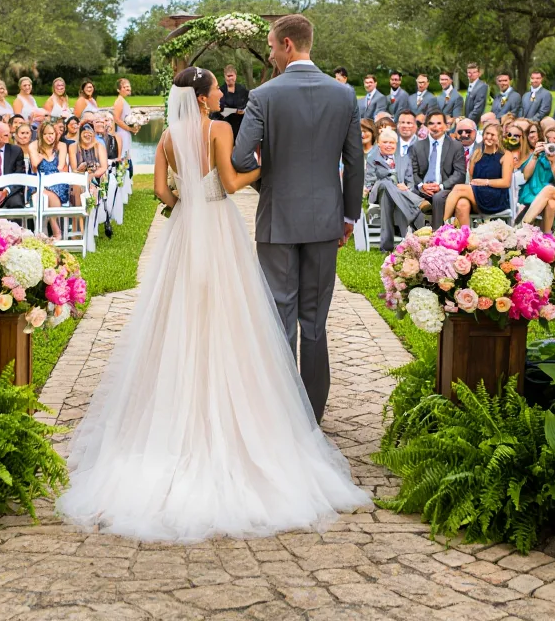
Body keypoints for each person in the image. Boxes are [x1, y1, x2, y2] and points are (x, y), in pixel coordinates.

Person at [58, 64, 369, 542]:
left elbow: (162, 191)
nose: (224, 91)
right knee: (233, 311)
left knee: (177, 311)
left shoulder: (166, 138)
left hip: (185, 230)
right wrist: (268, 167)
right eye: (217, 88)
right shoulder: (219, 128)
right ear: (203, 98)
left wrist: (186, 197)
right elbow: (230, 180)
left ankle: (173, 405)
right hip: (220, 228)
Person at [232, 15, 364, 425]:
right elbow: (354, 162)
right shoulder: (343, 96)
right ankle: (314, 414)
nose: (270, 54)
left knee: (280, 315)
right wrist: (347, 214)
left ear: (288, 44)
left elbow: (239, 158)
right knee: (315, 319)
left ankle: (283, 412)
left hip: (278, 221)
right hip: (326, 220)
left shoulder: (264, 95)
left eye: (271, 46)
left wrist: (271, 185)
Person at [442, 123, 518, 225]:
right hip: (478, 195)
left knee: (458, 188)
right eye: (487, 134)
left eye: (492, 135)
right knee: (462, 204)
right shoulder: (477, 153)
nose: (489, 137)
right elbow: (473, 178)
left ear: (499, 137)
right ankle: (466, 237)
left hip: (496, 197)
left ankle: (444, 225)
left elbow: (506, 182)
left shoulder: (505, 155)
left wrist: (485, 182)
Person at [408, 110, 466, 229]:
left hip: (445, 188)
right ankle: (410, 236)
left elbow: (459, 174)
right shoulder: (417, 146)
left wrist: (440, 186)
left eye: (439, 123)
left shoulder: (456, 146)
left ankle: (437, 234)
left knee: (438, 197)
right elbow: (412, 171)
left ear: (446, 126)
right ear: (426, 126)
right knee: (406, 194)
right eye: (431, 123)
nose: (435, 127)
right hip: (422, 188)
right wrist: (421, 186)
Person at [368, 128, 422, 251]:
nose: (388, 145)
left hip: (396, 195)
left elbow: (410, 182)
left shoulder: (404, 159)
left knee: (387, 198)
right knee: (385, 183)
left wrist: (405, 187)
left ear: (396, 144)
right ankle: (415, 207)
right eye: (385, 142)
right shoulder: (373, 158)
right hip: (378, 192)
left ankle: (386, 247)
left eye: (391, 142)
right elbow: (370, 182)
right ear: (379, 144)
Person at [518, 125, 555, 232]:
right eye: (548, 139)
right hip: (535, 193)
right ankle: (546, 237)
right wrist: (534, 156)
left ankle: (523, 225)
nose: (551, 142)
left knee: (549, 189)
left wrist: (553, 164)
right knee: (551, 204)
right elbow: (526, 176)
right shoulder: (539, 154)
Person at [30, 119, 71, 235]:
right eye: (46, 134)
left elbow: (60, 166)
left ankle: (52, 230)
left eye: (52, 134)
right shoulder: (34, 145)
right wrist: (41, 157)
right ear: (41, 135)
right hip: (39, 181)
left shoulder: (61, 146)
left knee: (48, 193)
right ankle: (52, 230)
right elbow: (34, 166)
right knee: (42, 194)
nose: (49, 137)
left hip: (57, 181)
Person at [217, 65, 249, 140]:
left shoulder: (242, 89)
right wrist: (236, 111)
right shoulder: (220, 91)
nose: (230, 78)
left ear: (235, 76)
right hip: (225, 124)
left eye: (232, 76)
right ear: (225, 76)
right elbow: (220, 109)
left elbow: (249, 103)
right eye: (228, 76)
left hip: (241, 126)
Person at [113, 78, 140, 161]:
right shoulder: (119, 101)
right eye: (125, 87)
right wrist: (130, 129)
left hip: (126, 132)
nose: (128, 88)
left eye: (129, 86)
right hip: (122, 134)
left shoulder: (123, 100)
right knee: (123, 157)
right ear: (118, 90)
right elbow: (116, 119)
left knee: (126, 156)